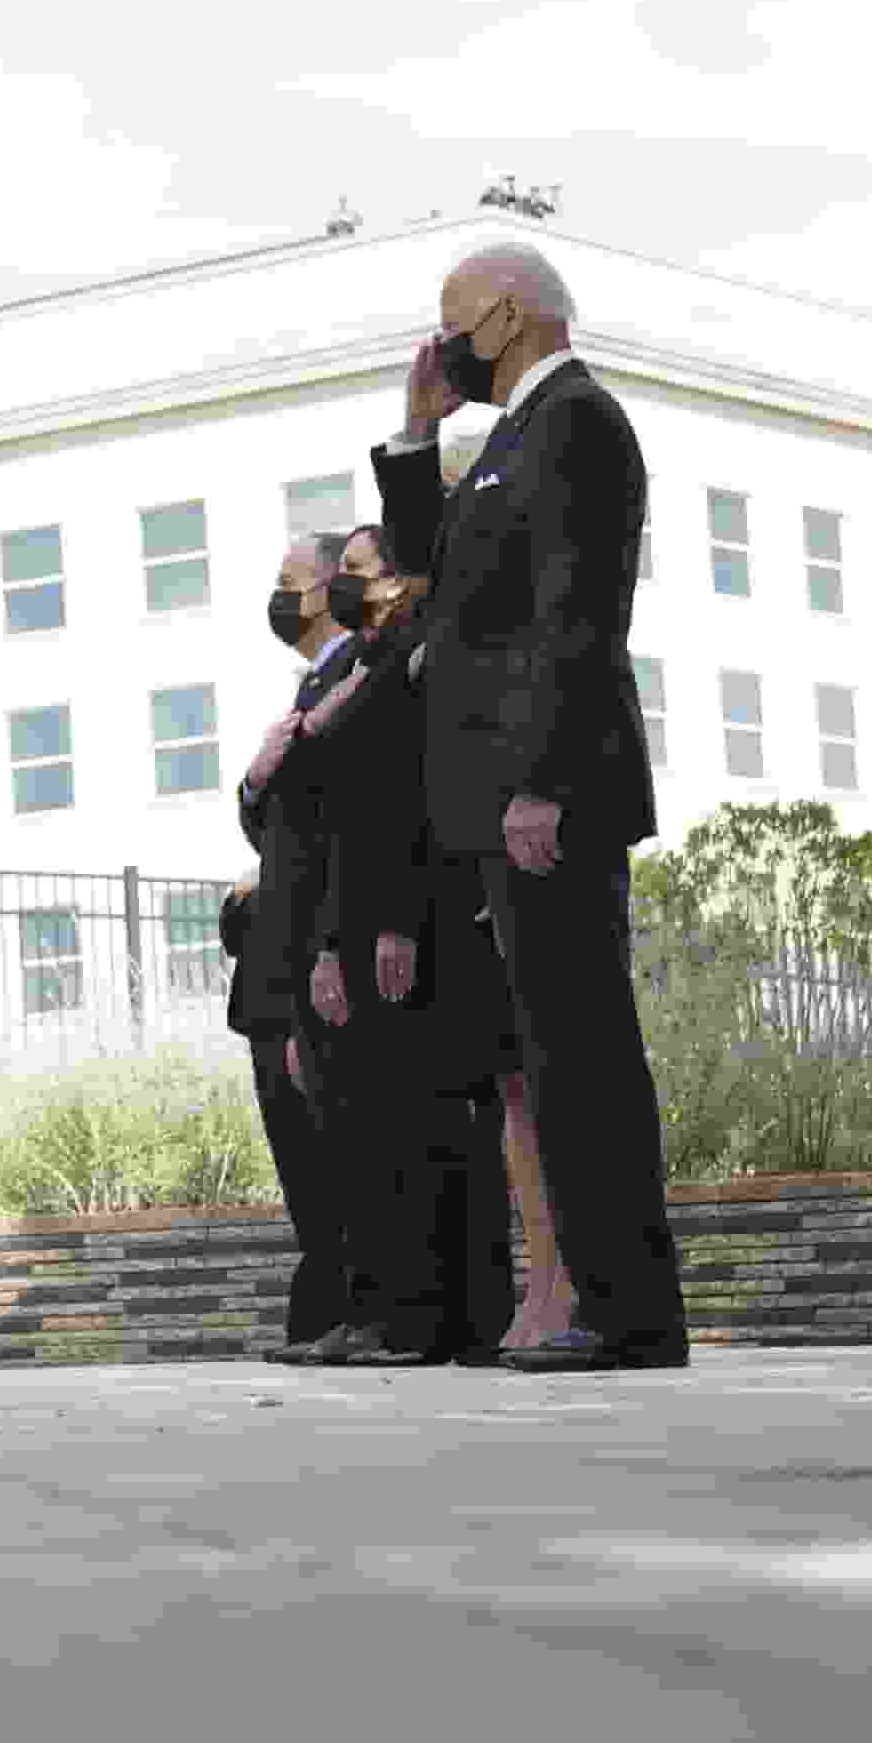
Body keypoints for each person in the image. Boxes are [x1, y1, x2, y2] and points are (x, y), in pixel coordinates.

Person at [379, 239, 687, 1372]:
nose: (438, 341)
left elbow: (575, 617)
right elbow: (436, 573)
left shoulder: (578, 424)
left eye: (450, 319)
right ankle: (607, 1304)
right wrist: (415, 434)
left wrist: (542, 782)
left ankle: (628, 1309)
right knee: (551, 1055)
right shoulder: (508, 438)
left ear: (506, 316)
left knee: (583, 1054)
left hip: (541, 796)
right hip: (495, 801)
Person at [284, 520, 528, 1365]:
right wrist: (328, 941)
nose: (344, 589)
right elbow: (337, 817)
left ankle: (440, 1318)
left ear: (399, 576)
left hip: (417, 920)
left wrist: (396, 921)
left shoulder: (417, 657)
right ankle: (386, 1313)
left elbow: (411, 803)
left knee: (435, 1136)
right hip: (354, 918)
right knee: (379, 1138)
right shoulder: (367, 664)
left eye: (356, 571)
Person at [228, 530, 372, 1362]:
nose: (281, 598)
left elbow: (335, 824)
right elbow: (271, 821)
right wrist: (256, 774)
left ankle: (352, 1306)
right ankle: (328, 1308)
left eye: (292, 582)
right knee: (304, 1153)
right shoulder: (306, 688)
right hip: (279, 958)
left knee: (335, 1144)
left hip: (320, 948)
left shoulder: (354, 674)